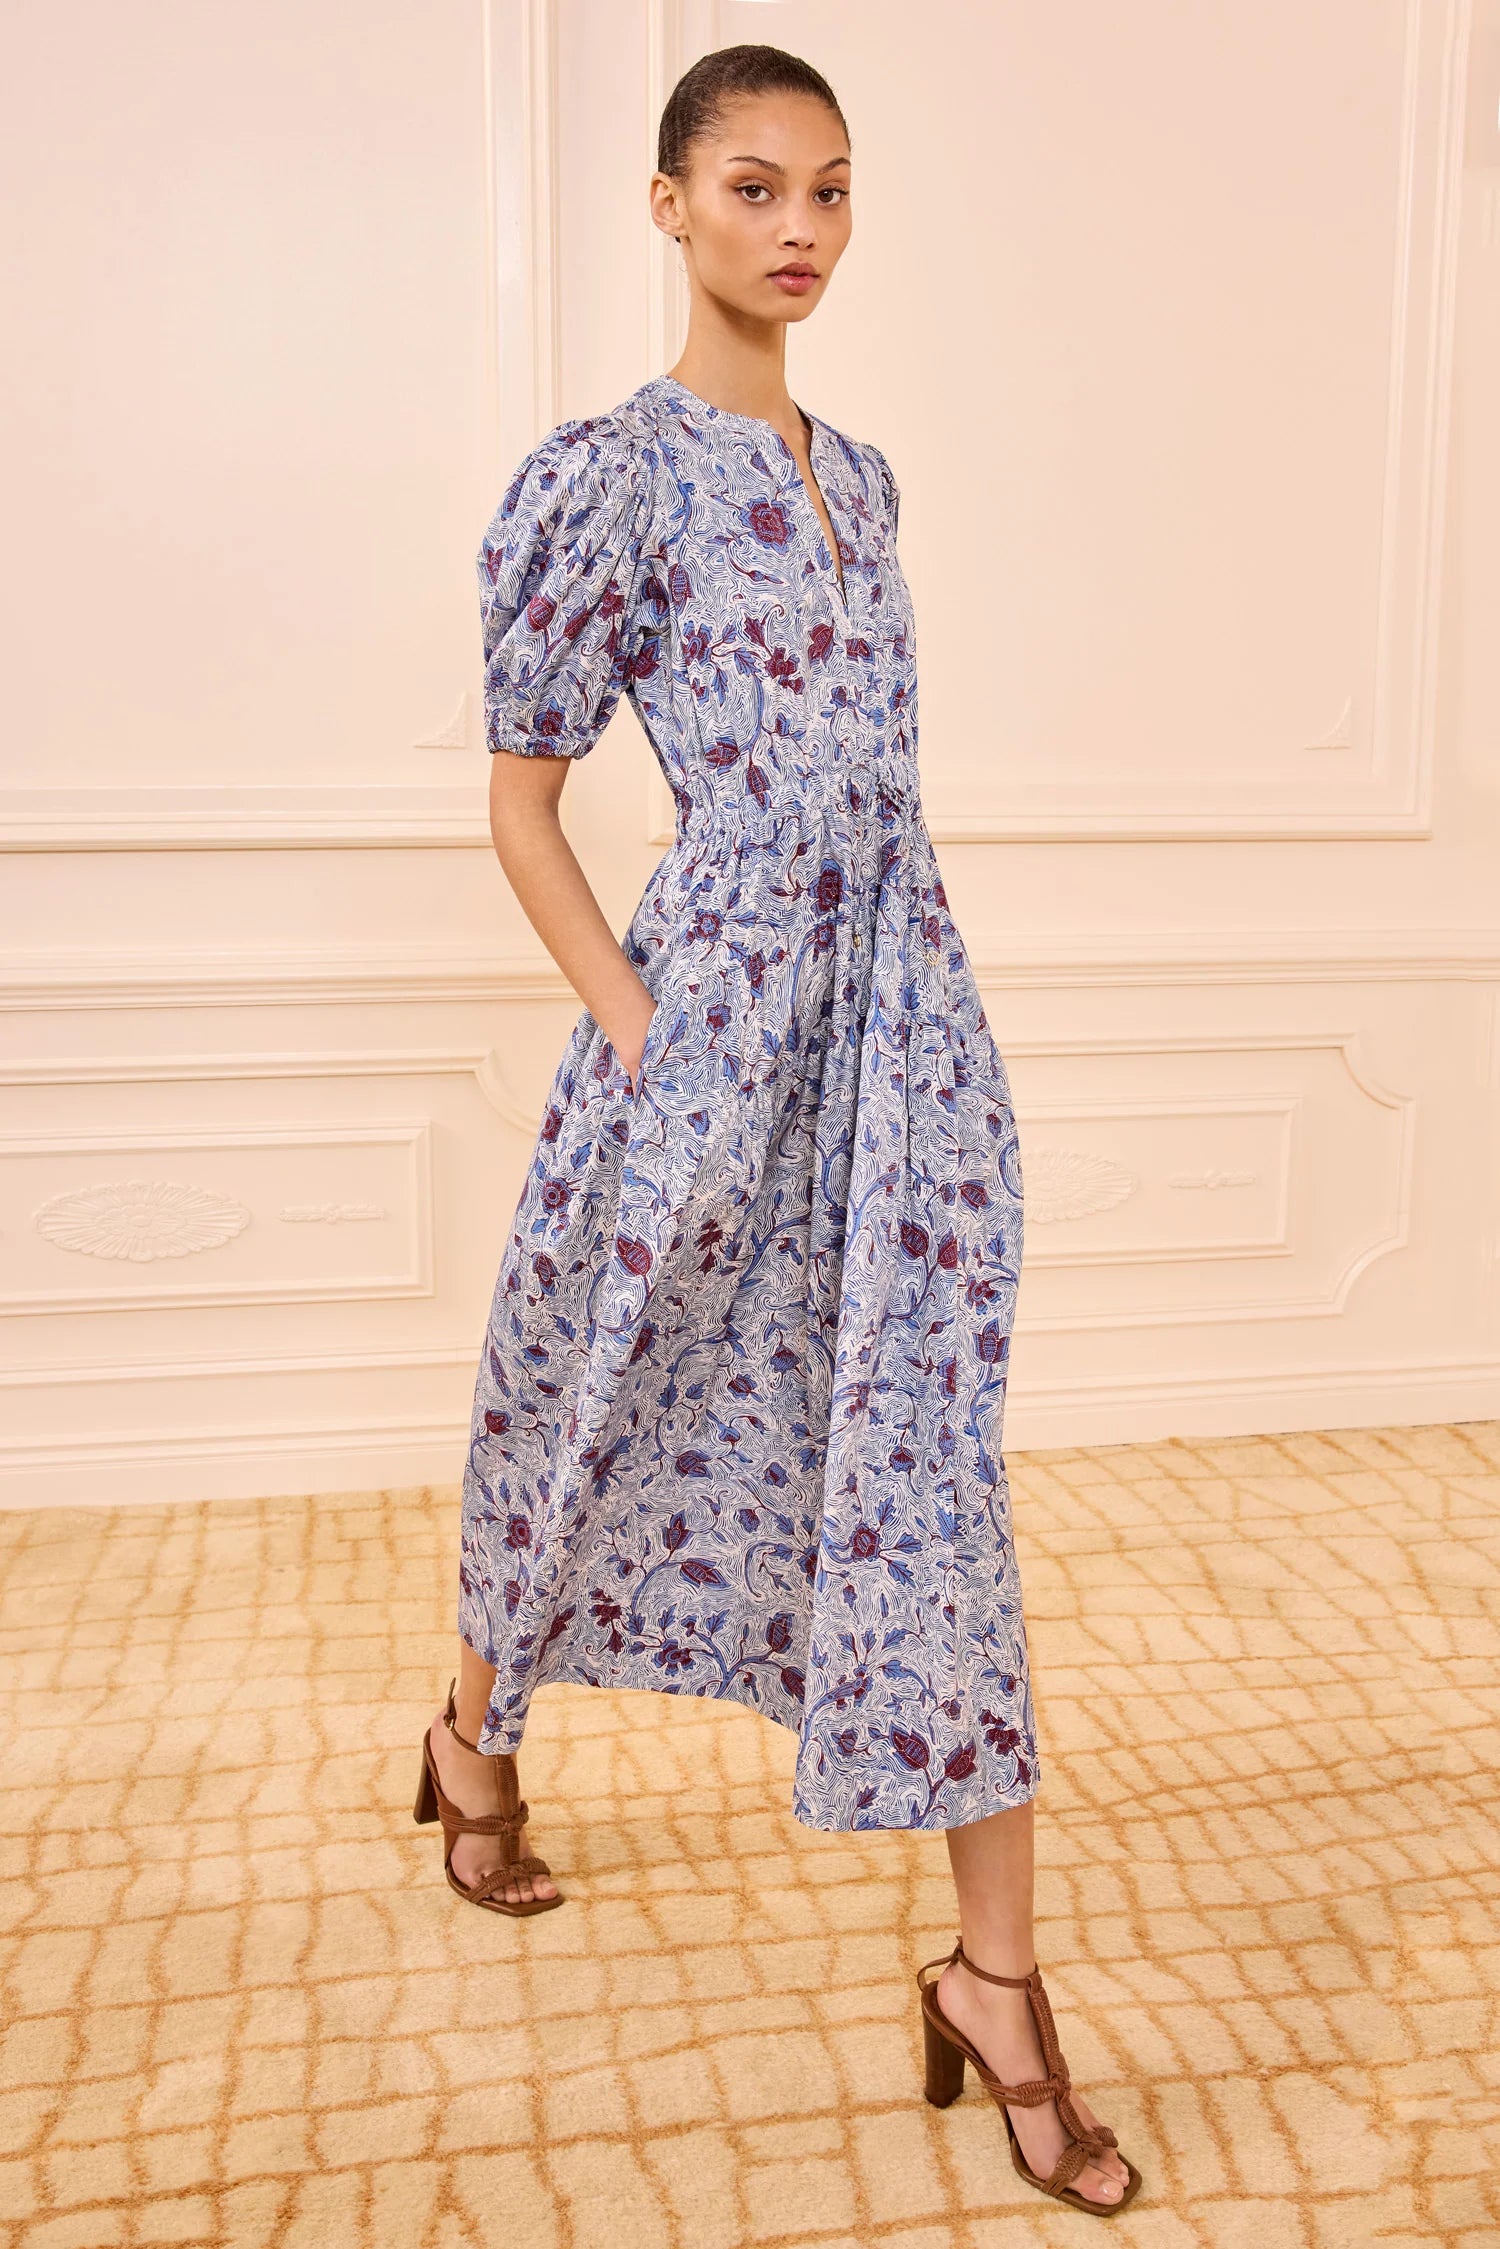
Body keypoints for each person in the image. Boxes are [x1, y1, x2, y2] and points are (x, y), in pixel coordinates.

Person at [413, 41, 1140, 2216]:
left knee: (928, 1474)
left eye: (829, 189)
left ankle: (995, 1977)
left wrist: (930, 1041)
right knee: (588, 1390)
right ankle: (470, 1731)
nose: (800, 227)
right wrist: (645, 1035)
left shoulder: (873, 481)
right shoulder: (606, 481)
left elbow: (877, 795)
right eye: (753, 187)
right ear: (669, 208)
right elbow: (524, 804)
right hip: (712, 1025)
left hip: (897, 1030)